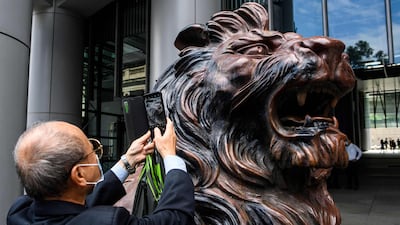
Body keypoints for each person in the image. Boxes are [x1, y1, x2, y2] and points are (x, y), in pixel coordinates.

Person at [7, 118, 194, 225]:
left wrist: (127, 162)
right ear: (79, 175)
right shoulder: (109, 222)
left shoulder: (19, 212)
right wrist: (171, 156)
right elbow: (175, 218)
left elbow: (79, 208)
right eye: (92, 149)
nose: (97, 154)